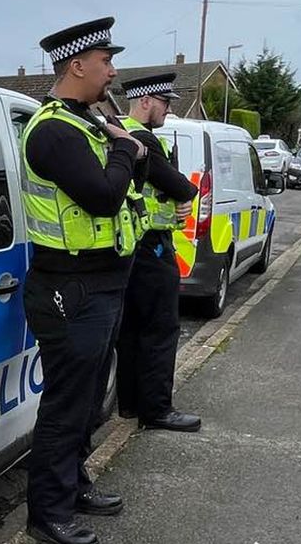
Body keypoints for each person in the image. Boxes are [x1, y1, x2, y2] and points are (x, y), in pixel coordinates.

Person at [21, 16, 147, 544]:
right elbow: (101, 195)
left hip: (101, 281)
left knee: (90, 397)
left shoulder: (87, 121)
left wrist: (125, 153)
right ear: (78, 65)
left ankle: (73, 484)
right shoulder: (54, 129)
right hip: (70, 287)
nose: (113, 72)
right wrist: (125, 150)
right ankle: (47, 514)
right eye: (105, 62)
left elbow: (127, 187)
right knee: (66, 404)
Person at [115, 73, 202, 432]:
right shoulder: (140, 138)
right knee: (161, 329)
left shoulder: (119, 132)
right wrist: (185, 196)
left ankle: (131, 404)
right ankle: (157, 410)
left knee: (133, 330)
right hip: (152, 245)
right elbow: (178, 184)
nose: (169, 110)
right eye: (166, 103)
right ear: (146, 101)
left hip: (134, 245)